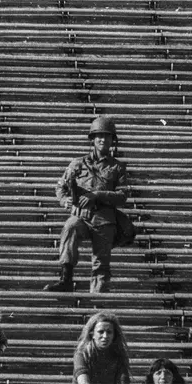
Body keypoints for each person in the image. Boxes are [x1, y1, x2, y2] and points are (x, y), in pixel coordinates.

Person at [44, 115, 130, 294]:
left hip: (104, 220)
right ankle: (65, 279)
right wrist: (64, 200)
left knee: (101, 264)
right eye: (99, 136)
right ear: (92, 139)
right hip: (81, 216)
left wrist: (97, 195)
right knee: (70, 226)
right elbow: (61, 187)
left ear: (112, 141)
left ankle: (97, 301)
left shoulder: (117, 167)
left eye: (107, 136)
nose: (103, 140)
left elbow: (123, 196)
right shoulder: (77, 164)